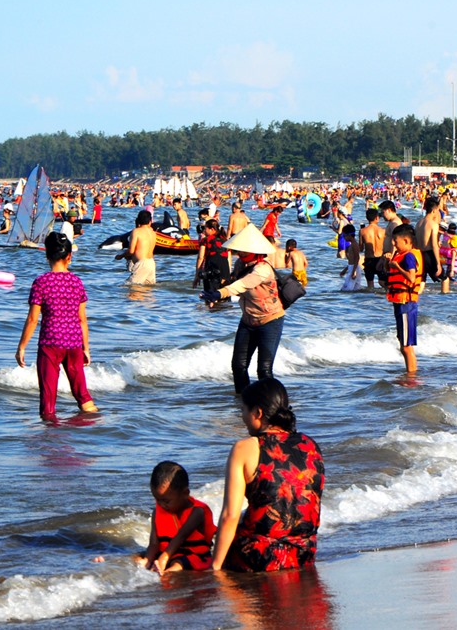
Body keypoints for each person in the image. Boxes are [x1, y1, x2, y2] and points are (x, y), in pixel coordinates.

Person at [211, 379, 324, 572]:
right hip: (304, 555)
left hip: (260, 558)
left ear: (258, 413)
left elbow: (230, 516)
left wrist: (215, 567)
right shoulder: (311, 445)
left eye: (243, 410)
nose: (242, 416)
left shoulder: (244, 448)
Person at [15, 232, 98, 422]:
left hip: (50, 344)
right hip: (74, 343)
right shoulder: (77, 282)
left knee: (48, 402)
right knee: (82, 395)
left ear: (46, 255)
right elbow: (82, 320)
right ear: (69, 256)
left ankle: (51, 442)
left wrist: (21, 347)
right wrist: (86, 348)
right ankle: (97, 432)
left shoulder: (41, 282)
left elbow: (33, 320)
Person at [201, 225, 285, 393]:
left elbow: (242, 285)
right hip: (247, 321)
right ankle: (244, 403)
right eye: (239, 251)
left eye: (243, 251)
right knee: (238, 366)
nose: (239, 254)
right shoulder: (240, 264)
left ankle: (269, 403)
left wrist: (220, 294)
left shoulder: (263, 269)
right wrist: (216, 293)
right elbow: (232, 283)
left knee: (264, 369)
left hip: (270, 320)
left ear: (255, 251)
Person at [134, 461, 216, 574]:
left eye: (166, 501)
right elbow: (154, 544)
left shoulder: (197, 512)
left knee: (178, 563)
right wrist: (147, 561)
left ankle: (166, 574)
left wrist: (163, 560)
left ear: (185, 493)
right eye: (157, 499)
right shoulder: (157, 512)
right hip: (166, 553)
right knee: (136, 557)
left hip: (192, 555)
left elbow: (180, 537)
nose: (161, 505)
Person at [386, 224, 421, 374]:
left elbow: (411, 278)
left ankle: (412, 377)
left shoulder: (409, 256)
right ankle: (410, 374)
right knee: (403, 344)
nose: (393, 243)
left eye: (396, 241)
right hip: (400, 302)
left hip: (406, 302)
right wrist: (390, 263)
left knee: (406, 346)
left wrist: (397, 266)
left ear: (406, 241)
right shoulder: (400, 255)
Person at [115, 210, 157, 285]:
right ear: (150, 221)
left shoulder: (136, 231)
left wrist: (121, 256)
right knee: (148, 291)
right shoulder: (153, 233)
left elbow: (131, 251)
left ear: (138, 221)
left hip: (142, 264)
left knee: (131, 287)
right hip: (151, 263)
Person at [414, 196, 442, 292]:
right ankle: (447, 301)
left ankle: (418, 299)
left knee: (422, 279)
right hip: (429, 254)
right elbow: (434, 245)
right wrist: (438, 263)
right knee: (444, 278)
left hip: (419, 254)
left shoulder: (418, 223)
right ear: (434, 210)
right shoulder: (433, 224)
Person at [360, 208, 385, 289]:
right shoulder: (383, 231)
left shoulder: (362, 231)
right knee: (383, 282)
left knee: (370, 286)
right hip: (380, 260)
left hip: (369, 260)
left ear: (367, 218)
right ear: (377, 218)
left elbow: (361, 248)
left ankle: (372, 300)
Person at [339, 225, 363, 291]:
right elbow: (351, 260)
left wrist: (354, 271)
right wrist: (345, 270)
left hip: (354, 269)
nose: (343, 237)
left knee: (347, 290)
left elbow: (357, 258)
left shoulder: (354, 245)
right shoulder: (351, 244)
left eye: (344, 235)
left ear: (349, 235)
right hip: (352, 268)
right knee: (354, 289)